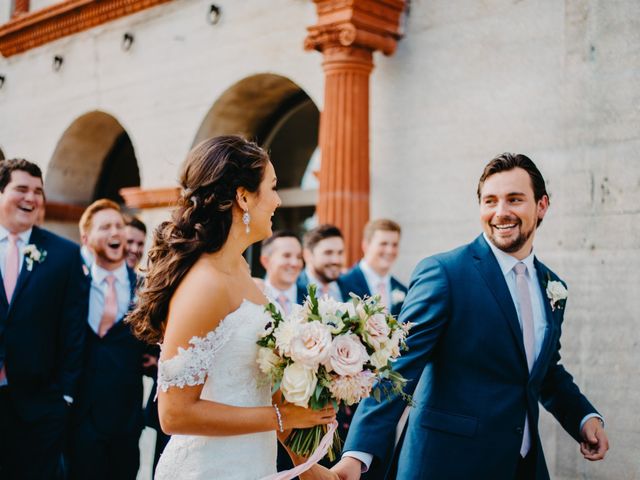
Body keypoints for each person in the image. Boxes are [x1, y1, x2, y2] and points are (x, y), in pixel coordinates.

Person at [334, 153, 610, 480]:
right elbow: (398, 367)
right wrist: (356, 454)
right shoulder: (445, 273)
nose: (500, 212)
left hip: (521, 467)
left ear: (542, 206)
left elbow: (543, 370)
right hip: (444, 465)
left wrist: (584, 418)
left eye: (515, 199)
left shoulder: (553, 287)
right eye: (490, 201)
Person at [126, 135, 337, 480]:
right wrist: (280, 417)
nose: (278, 200)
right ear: (243, 197)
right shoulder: (204, 285)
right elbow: (174, 414)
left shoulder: (242, 272)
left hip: (253, 465)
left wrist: (317, 474)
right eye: (272, 187)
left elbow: (265, 394)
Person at [0, 159, 89, 480]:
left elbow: (73, 330)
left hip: (38, 405)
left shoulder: (64, 255)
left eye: (38, 191)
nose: (31, 198)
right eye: (21, 189)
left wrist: (63, 397)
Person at [68, 199, 147, 480]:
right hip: (77, 417)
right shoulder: (71, 282)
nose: (115, 232)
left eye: (119, 225)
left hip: (124, 419)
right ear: (86, 238)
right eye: (106, 227)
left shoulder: (145, 289)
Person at [340, 219, 408, 316]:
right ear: (365, 245)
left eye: (395, 245)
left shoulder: (403, 290)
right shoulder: (343, 283)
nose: (390, 250)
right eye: (383, 244)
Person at [298, 224, 347, 301]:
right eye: (328, 253)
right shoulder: (293, 288)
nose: (336, 260)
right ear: (308, 255)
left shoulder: (351, 285)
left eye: (340, 253)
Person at [260, 230, 305, 313]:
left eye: (299, 257)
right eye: (286, 256)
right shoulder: (254, 299)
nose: (295, 263)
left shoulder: (312, 299)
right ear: (266, 261)